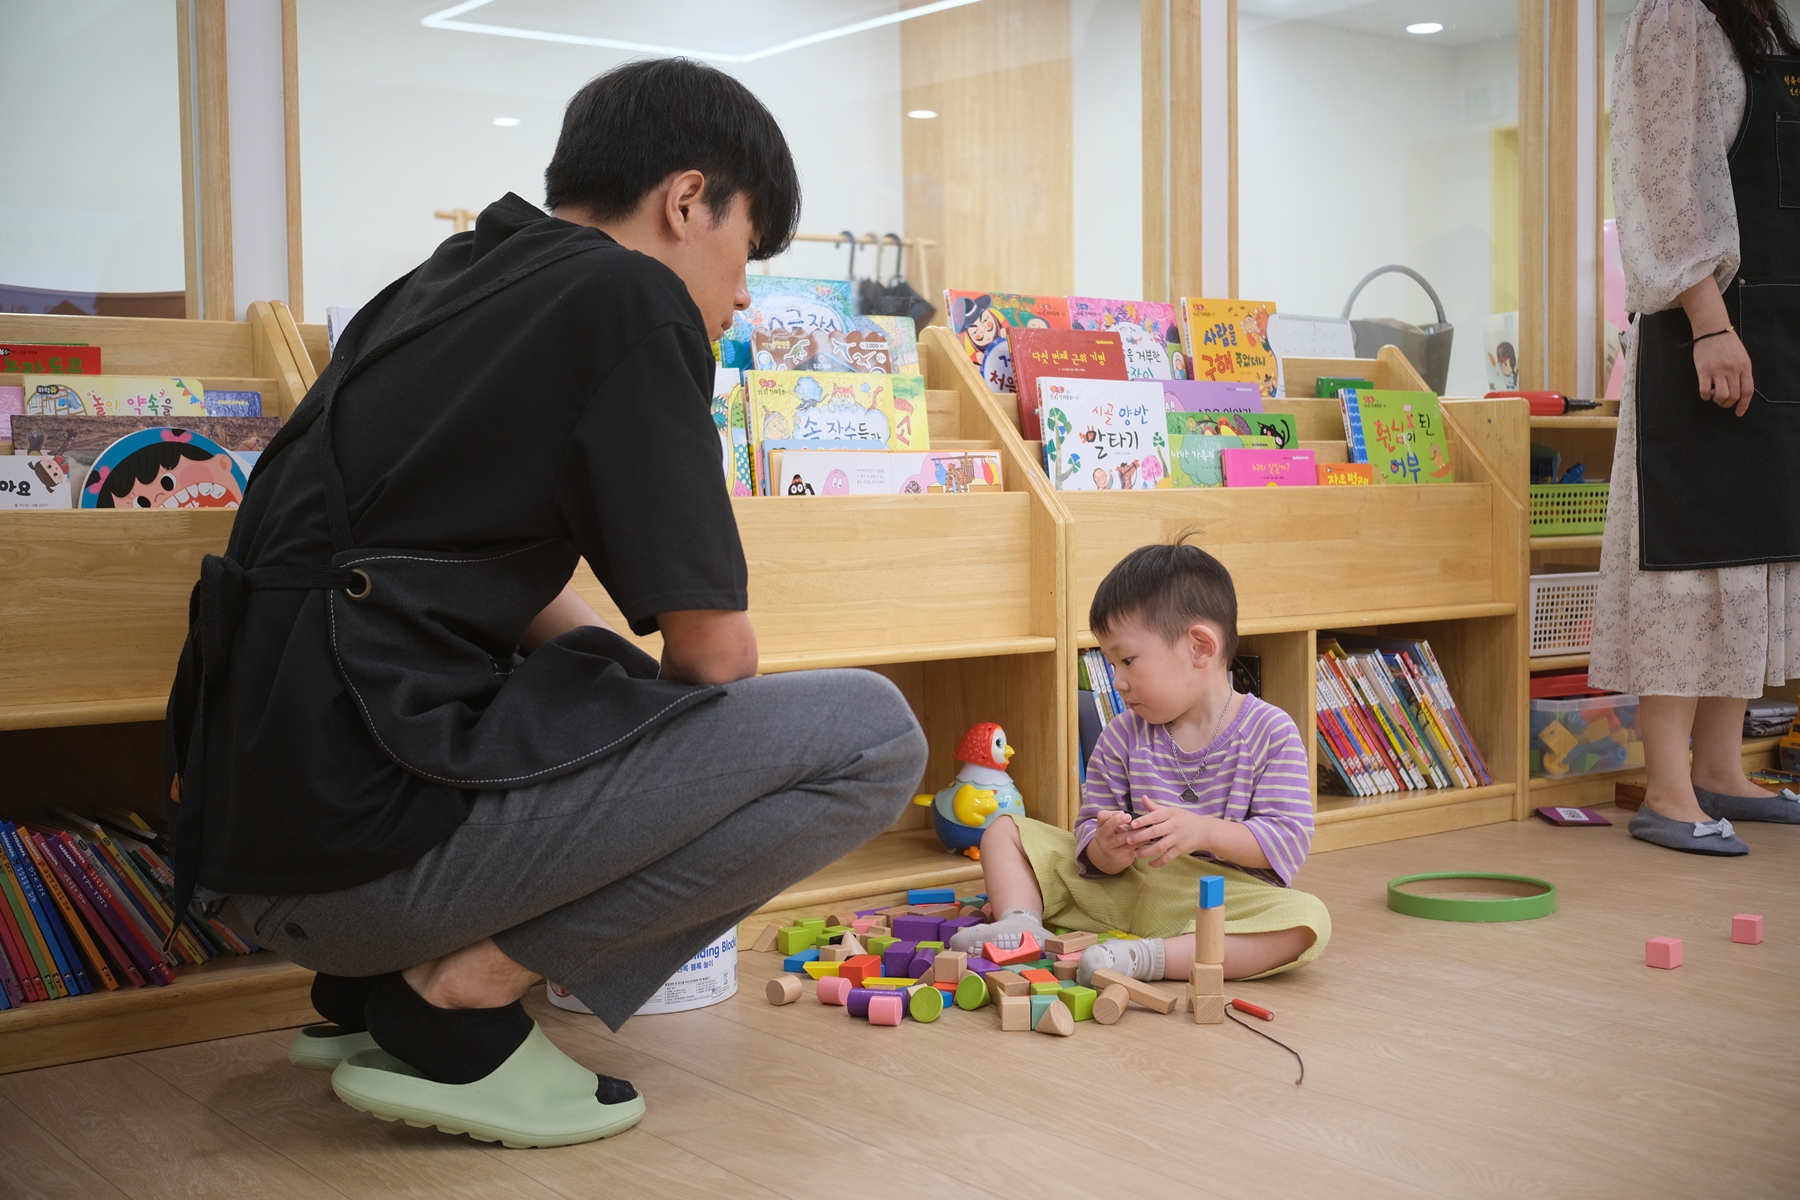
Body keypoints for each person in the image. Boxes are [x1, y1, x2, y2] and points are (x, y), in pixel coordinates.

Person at [162, 58, 927, 1147]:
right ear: (686, 200)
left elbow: (453, 568)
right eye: (748, 249)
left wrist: (630, 699)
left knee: (600, 670)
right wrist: (678, 762)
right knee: (873, 740)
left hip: (257, 845)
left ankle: (372, 989)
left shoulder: (439, 282)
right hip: (359, 857)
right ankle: (460, 994)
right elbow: (718, 657)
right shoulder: (628, 298)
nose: (743, 295)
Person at [1592, 0, 1800, 855]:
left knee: (1749, 552)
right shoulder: (1674, 16)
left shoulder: (1767, 22)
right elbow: (1665, 180)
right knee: (1690, 557)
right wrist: (1711, 324)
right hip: (1705, 328)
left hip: (1777, 330)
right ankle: (1668, 789)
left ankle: (1720, 767)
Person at [948, 541, 1330, 985]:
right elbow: (1088, 834)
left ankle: (1147, 958)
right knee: (1004, 831)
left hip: (1214, 899)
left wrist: (1203, 831)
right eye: (1111, 664)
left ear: (1200, 648)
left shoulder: (1271, 731)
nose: (1118, 682)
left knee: (1309, 920)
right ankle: (1021, 923)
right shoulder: (1121, 735)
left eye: (1127, 660)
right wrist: (1106, 849)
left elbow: (1287, 841)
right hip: (1122, 887)